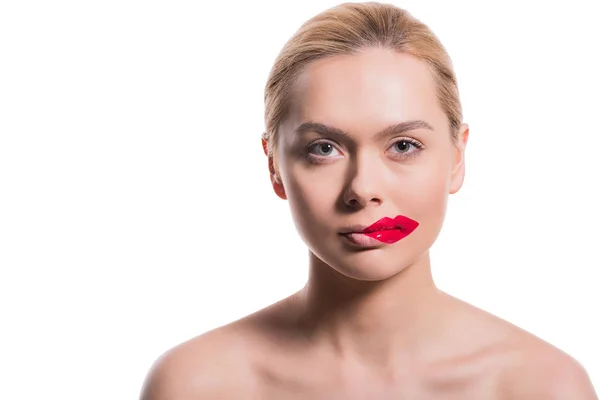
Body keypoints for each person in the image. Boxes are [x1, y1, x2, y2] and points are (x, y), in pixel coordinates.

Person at [140, 2, 597, 399]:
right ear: (274, 165)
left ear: (457, 158)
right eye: (324, 148)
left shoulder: (542, 388)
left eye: (403, 145)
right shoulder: (196, 386)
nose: (362, 188)